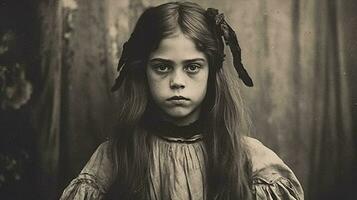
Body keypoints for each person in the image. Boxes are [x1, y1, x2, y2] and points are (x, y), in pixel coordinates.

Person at [60, 1, 304, 199]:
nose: (177, 81)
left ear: (212, 72)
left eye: (192, 67)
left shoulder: (249, 158)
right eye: (162, 67)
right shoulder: (116, 156)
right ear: (144, 71)